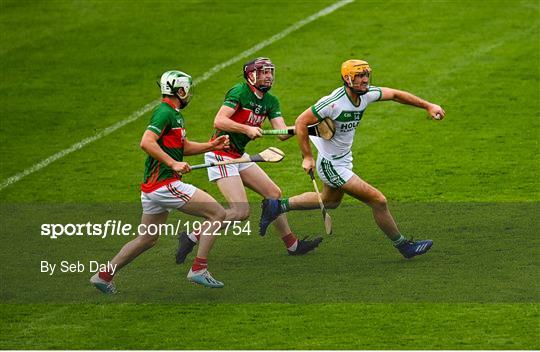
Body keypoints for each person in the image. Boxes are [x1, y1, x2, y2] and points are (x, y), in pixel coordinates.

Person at [259, 59, 446, 259]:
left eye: (367, 75)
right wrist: (307, 157)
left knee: (329, 201)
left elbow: (396, 95)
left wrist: (428, 105)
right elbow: (301, 122)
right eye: (360, 76)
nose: (365, 80)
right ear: (348, 79)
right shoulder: (332, 102)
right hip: (331, 164)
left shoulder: (366, 95)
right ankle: (404, 246)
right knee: (378, 200)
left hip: (344, 159)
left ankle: (277, 206)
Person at [90, 70, 231, 293]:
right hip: (165, 185)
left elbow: (181, 147)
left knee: (147, 238)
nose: (189, 94)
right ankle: (199, 269)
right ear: (180, 90)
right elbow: (146, 142)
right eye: (187, 89)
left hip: (153, 188)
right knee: (218, 214)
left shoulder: (174, 115)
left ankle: (103, 275)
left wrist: (210, 146)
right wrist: (173, 164)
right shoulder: (164, 113)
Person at [175, 57, 322, 265]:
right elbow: (219, 120)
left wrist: (305, 127)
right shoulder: (239, 92)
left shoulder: (271, 101)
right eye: (263, 72)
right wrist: (246, 128)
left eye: (270, 72)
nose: (269, 76)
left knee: (274, 194)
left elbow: (281, 132)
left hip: (239, 155)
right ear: (251, 75)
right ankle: (191, 236)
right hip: (221, 155)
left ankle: (292, 245)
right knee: (240, 211)